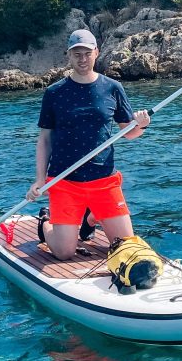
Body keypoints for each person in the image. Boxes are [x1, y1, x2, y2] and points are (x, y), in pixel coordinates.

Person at [26, 28, 151, 260]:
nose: (82, 59)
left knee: (125, 247)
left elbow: (129, 133)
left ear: (96, 53)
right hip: (65, 180)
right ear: (69, 56)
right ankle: (45, 220)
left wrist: (141, 124)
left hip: (104, 180)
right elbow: (44, 140)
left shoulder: (113, 88)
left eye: (87, 53)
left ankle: (92, 217)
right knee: (64, 253)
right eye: (77, 54)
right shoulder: (54, 93)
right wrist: (40, 179)